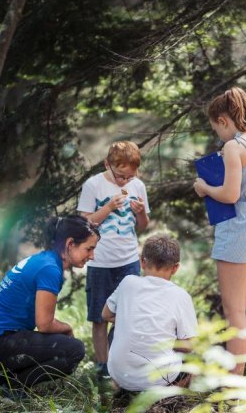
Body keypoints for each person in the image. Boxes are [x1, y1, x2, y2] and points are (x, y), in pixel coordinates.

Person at [193, 86, 246, 376]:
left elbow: (230, 195)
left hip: (240, 227)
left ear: (224, 120)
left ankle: (234, 386)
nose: (219, 134)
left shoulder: (234, 147)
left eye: (217, 127)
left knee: (235, 311)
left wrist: (204, 188)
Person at [0, 215, 98, 397]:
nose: (92, 256)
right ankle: (12, 389)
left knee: (61, 346)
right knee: (74, 350)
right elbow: (44, 324)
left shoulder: (45, 260)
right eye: (89, 248)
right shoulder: (50, 269)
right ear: (70, 244)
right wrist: (67, 327)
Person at [78, 141, 150, 379]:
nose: (124, 182)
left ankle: (120, 364)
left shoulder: (137, 185)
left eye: (128, 177)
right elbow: (85, 225)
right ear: (106, 164)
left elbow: (143, 225)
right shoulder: (93, 185)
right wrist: (109, 207)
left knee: (126, 315)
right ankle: (102, 366)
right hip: (100, 262)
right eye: (120, 176)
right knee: (100, 317)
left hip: (128, 260)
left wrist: (140, 212)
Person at [102, 235, 197, 391]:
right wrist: (164, 339)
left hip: (122, 377)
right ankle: (171, 395)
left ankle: (120, 390)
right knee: (193, 356)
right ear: (175, 268)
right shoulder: (181, 295)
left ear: (142, 261)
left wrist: (129, 322)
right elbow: (190, 345)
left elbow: (106, 315)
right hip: (162, 380)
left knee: (115, 330)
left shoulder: (128, 283)